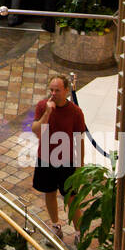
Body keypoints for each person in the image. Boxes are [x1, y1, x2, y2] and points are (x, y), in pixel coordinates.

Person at [31, 73, 85, 238]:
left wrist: (80, 165)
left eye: (57, 90)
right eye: (51, 90)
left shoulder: (75, 112)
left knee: (71, 198)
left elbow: (79, 140)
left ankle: (80, 233)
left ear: (67, 91)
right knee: (49, 192)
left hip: (66, 162)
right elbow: (36, 130)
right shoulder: (42, 106)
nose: (53, 94)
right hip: (46, 158)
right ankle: (55, 225)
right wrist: (47, 113)